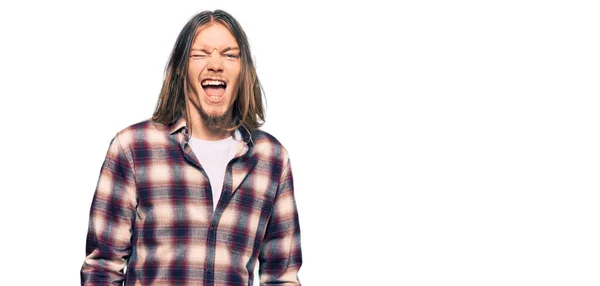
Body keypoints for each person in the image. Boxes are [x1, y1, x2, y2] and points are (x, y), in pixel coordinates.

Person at [80, 10, 302, 285]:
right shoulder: (133, 149)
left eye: (230, 54)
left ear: (243, 72)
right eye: (200, 54)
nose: (215, 65)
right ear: (181, 69)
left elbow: (282, 276)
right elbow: (102, 269)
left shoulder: (272, 159)